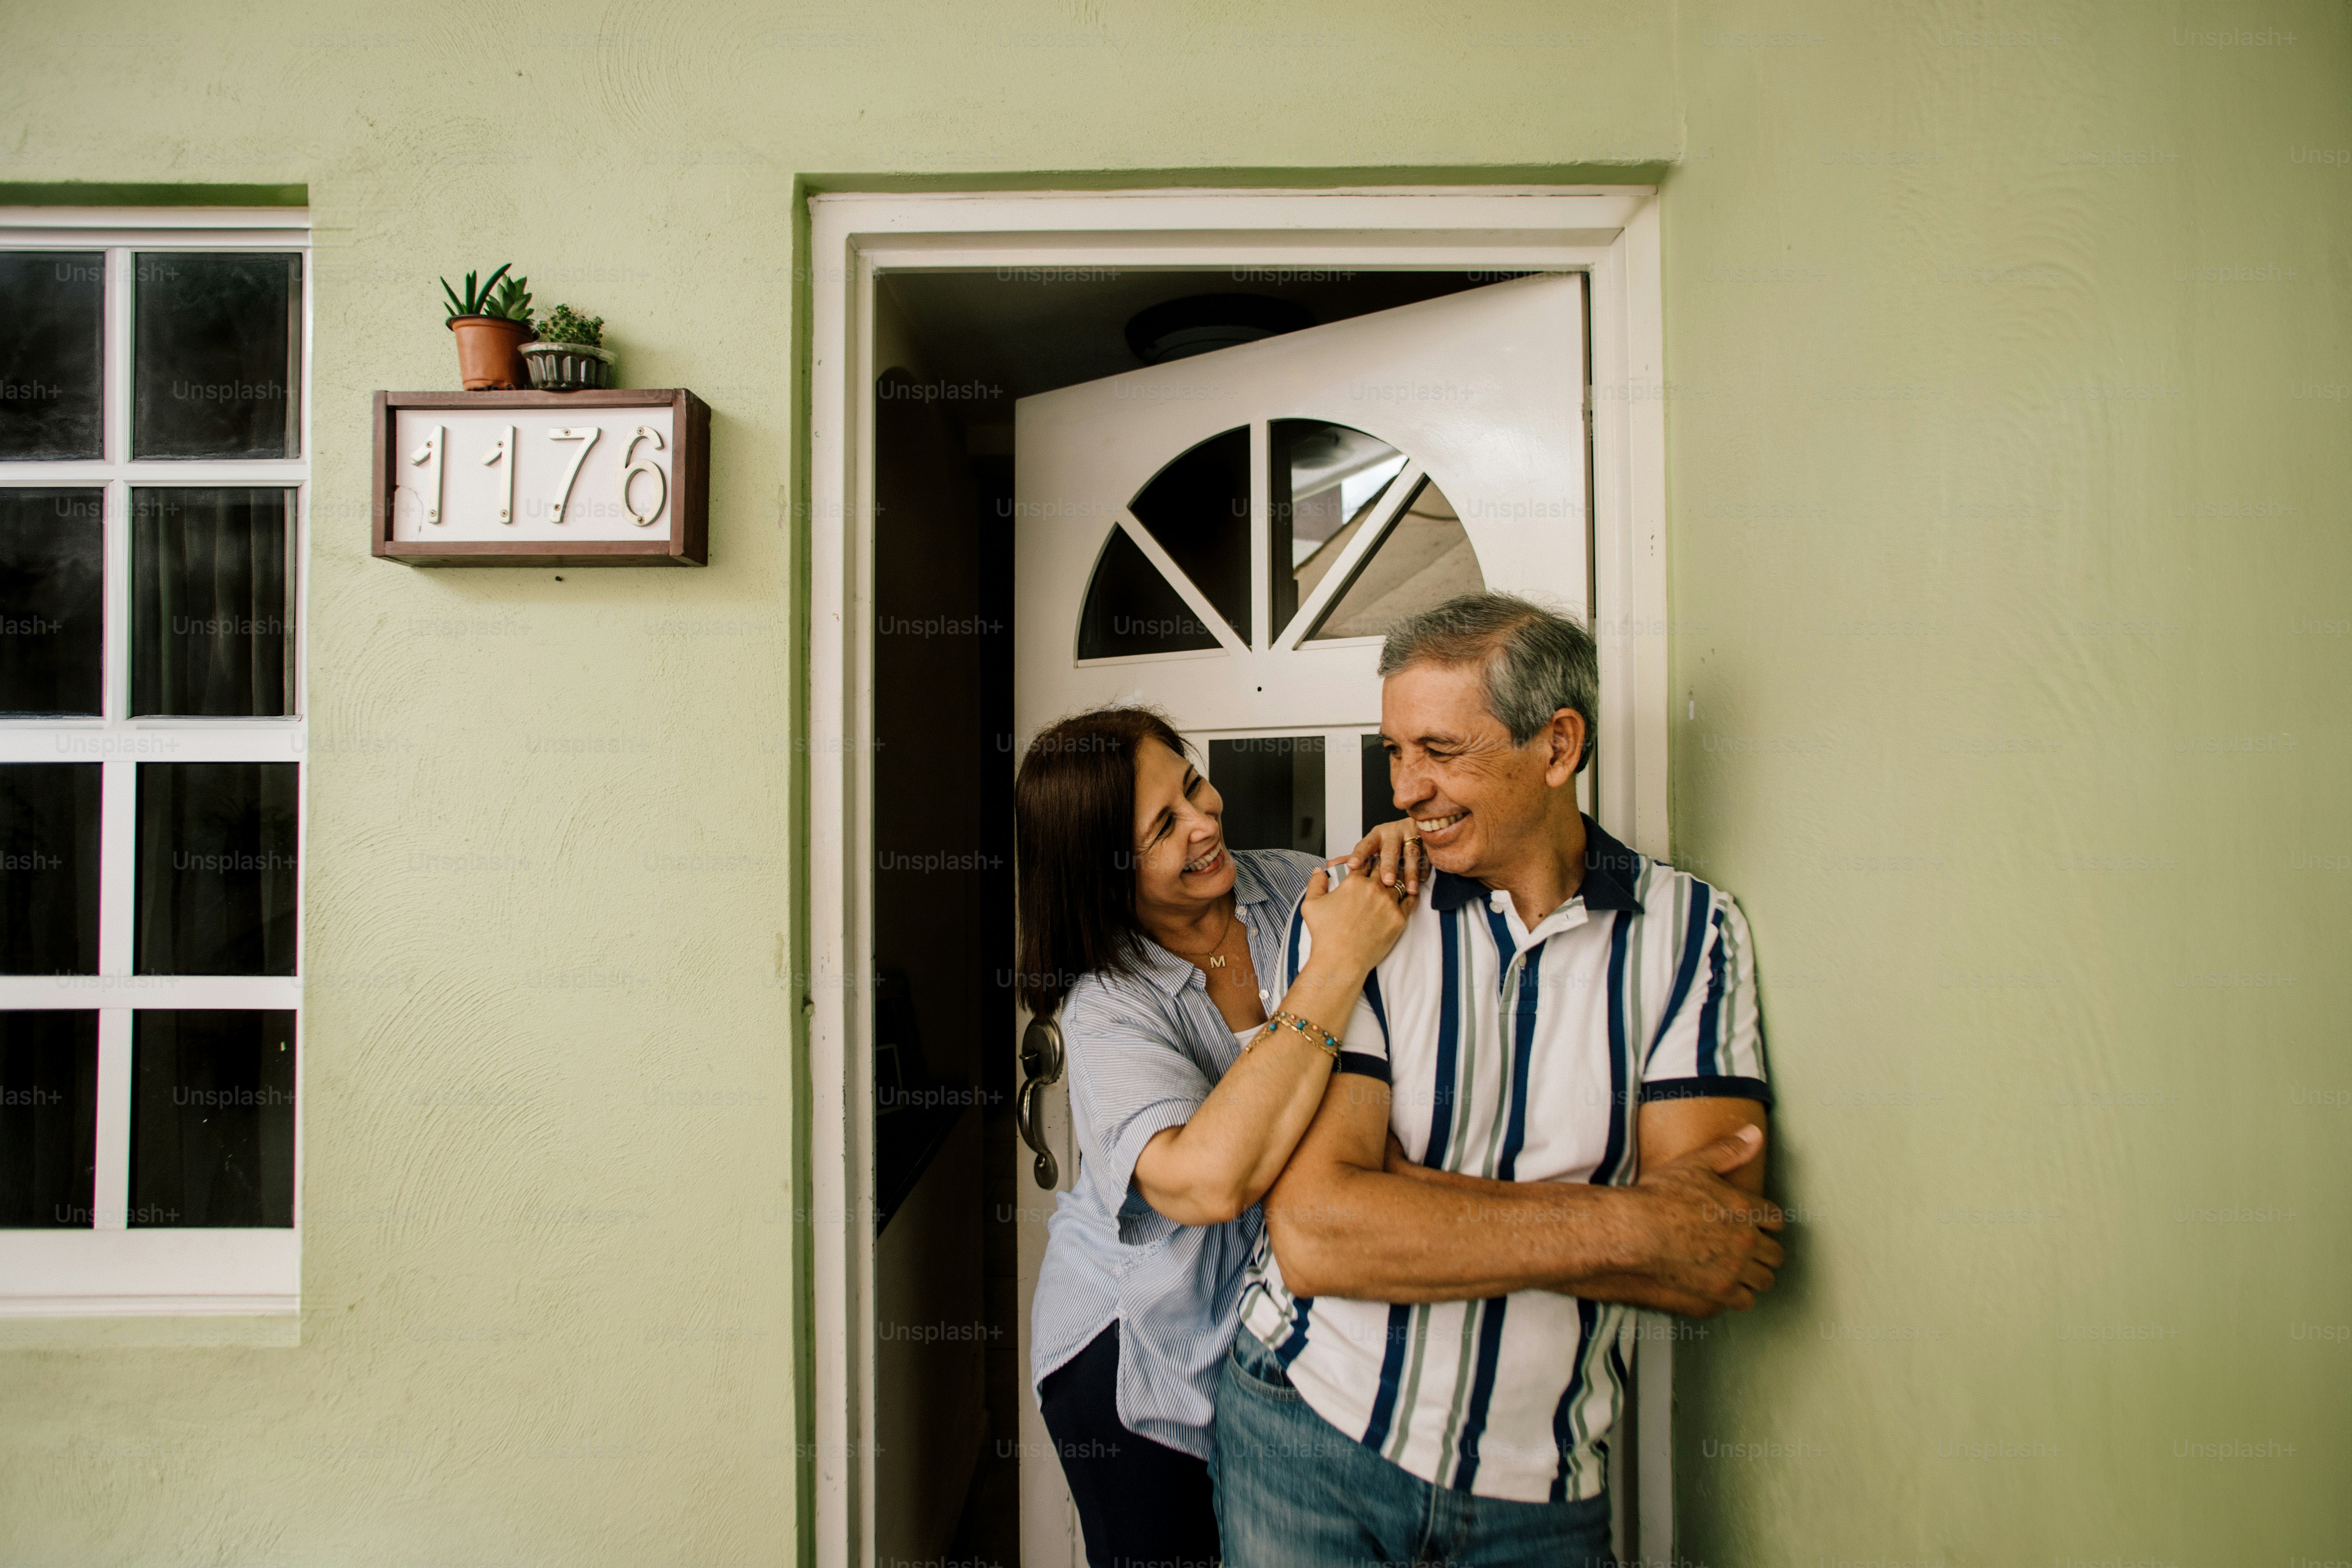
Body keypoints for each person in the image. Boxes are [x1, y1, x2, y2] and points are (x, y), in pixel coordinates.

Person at [1215, 593, 1784, 1568]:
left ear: (1556, 747)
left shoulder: (1696, 937)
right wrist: (1638, 1219)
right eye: (1393, 752)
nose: (1405, 789)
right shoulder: (1364, 919)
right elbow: (1315, 1237)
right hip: (1307, 1437)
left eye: (1439, 751)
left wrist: (1405, 1201)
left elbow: (1713, 1256)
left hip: (1540, 1490)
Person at [1016, 705, 1425, 1568]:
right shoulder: (1105, 1009)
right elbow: (1206, 1184)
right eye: (1164, 825)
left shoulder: (1287, 887)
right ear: (1105, 867)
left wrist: (1411, 851)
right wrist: (1336, 965)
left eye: (1193, 786)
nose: (1206, 822)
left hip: (1262, 1335)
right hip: (1135, 1351)